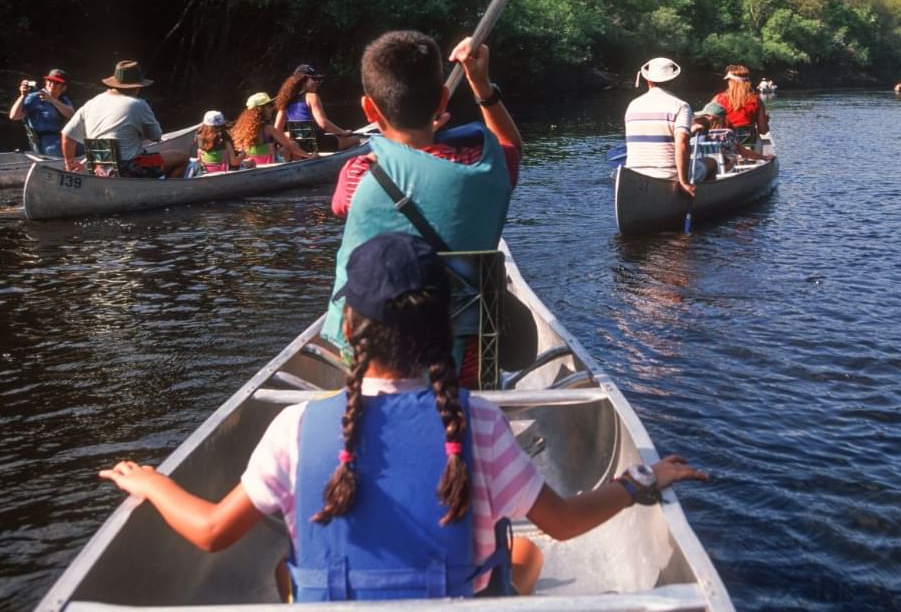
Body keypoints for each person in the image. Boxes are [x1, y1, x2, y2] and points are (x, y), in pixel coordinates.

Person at [97, 232, 709, 600]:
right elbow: (568, 523)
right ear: (443, 328)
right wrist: (641, 483)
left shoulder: (295, 429)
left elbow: (209, 534)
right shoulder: (481, 425)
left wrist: (152, 482)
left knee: (288, 573)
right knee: (529, 555)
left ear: (348, 331)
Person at [321, 31, 523, 370]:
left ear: (369, 109)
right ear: (443, 100)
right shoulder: (486, 162)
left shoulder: (358, 174)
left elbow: (341, 205)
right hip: (467, 365)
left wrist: (417, 147)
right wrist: (482, 86)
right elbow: (511, 146)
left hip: (372, 362)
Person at [61, 60, 188, 178]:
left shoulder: (92, 102)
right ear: (137, 87)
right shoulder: (138, 104)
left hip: (99, 168)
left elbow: (66, 135)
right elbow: (156, 136)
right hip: (130, 168)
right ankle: (164, 192)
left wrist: (70, 163)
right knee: (181, 157)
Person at [623, 57, 694, 196]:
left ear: (648, 80)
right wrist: (684, 182)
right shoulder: (681, 106)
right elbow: (682, 143)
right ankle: (700, 199)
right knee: (711, 163)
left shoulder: (632, 105)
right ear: (675, 81)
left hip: (634, 175)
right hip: (667, 176)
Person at [273, 64, 356, 152]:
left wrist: (293, 135)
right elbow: (323, 124)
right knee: (356, 139)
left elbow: (277, 130)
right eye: (314, 79)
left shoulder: (285, 101)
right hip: (318, 144)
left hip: (299, 147)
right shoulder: (312, 97)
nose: (317, 82)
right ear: (303, 80)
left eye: (318, 79)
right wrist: (343, 132)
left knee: (335, 137)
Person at [231, 92, 313, 165]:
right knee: (293, 144)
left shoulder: (242, 129)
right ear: (261, 110)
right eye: (269, 106)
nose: (272, 109)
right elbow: (289, 146)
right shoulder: (268, 128)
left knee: (286, 140)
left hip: (253, 163)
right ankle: (297, 169)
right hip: (267, 163)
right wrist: (309, 156)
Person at [8, 68, 75, 156]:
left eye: (56, 83)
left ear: (64, 87)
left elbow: (72, 115)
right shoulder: (34, 98)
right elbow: (14, 116)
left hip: (63, 138)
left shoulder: (64, 100)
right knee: (58, 151)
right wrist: (22, 96)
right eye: (49, 81)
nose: (52, 84)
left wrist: (52, 100)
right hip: (45, 141)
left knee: (84, 148)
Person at [709, 64, 769, 142]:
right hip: (748, 144)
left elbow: (709, 125)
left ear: (731, 82)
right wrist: (766, 120)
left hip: (724, 144)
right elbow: (763, 131)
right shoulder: (756, 100)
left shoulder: (718, 99)